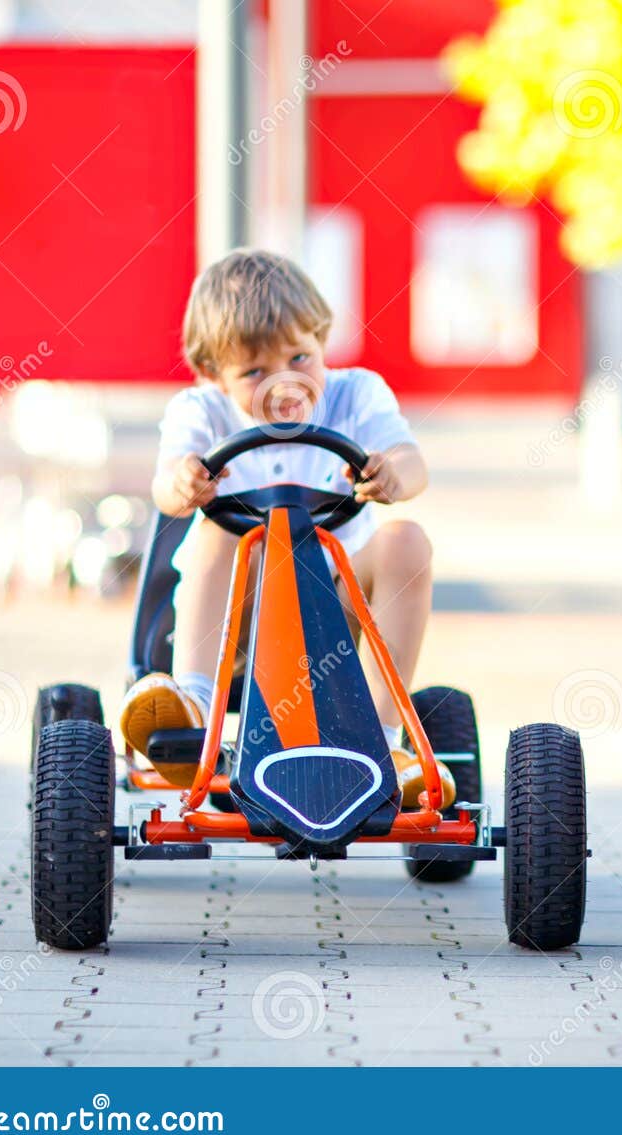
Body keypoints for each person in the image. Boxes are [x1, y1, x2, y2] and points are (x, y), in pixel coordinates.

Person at [117, 249, 452, 806]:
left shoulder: (355, 395)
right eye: (253, 372)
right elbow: (166, 487)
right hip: (238, 624)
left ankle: (387, 741)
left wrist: (392, 472)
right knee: (218, 529)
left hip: (336, 616)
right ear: (214, 377)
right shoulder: (201, 411)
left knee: (406, 540)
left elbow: (411, 462)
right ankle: (194, 710)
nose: (285, 385)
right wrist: (182, 483)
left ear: (322, 340)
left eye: (300, 357)